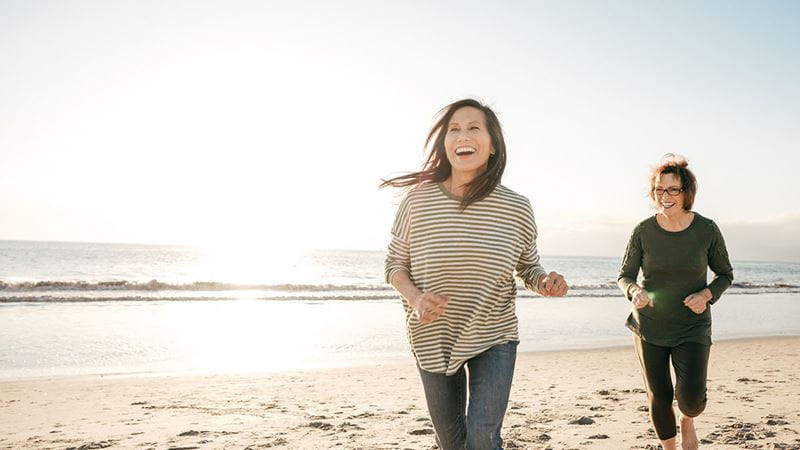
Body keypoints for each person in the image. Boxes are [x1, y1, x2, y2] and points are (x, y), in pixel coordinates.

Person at [382, 98, 568, 450]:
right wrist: (416, 298)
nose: (462, 135)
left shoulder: (516, 206)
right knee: (452, 444)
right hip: (432, 335)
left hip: (493, 333)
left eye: (473, 128)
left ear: (493, 144)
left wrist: (544, 282)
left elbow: (528, 266)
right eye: (454, 129)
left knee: (483, 439)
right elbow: (394, 266)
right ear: (445, 143)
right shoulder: (417, 201)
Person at [617, 155, 734, 450]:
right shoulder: (643, 231)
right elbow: (625, 275)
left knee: (692, 399)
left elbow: (724, 274)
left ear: (686, 192)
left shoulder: (706, 230)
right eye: (659, 189)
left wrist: (706, 295)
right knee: (659, 395)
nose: (664, 196)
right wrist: (634, 292)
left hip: (692, 327)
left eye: (672, 190)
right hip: (649, 327)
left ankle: (687, 419)